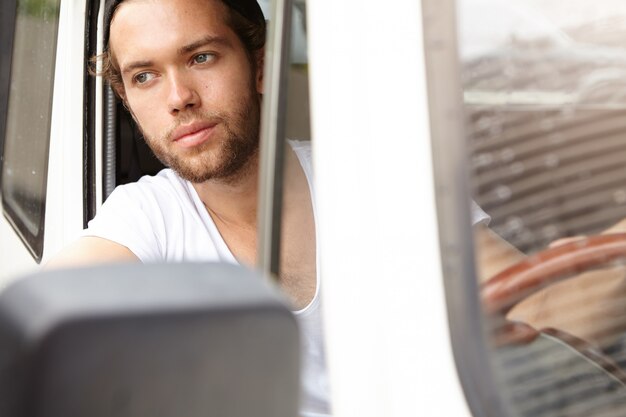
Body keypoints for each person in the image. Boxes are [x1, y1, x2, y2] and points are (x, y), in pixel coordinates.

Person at [47, 0, 517, 415]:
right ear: (127, 100)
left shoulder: (369, 178)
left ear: (261, 65)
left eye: (201, 57)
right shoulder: (146, 216)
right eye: (144, 76)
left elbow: (539, 299)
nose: (178, 98)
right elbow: (38, 324)